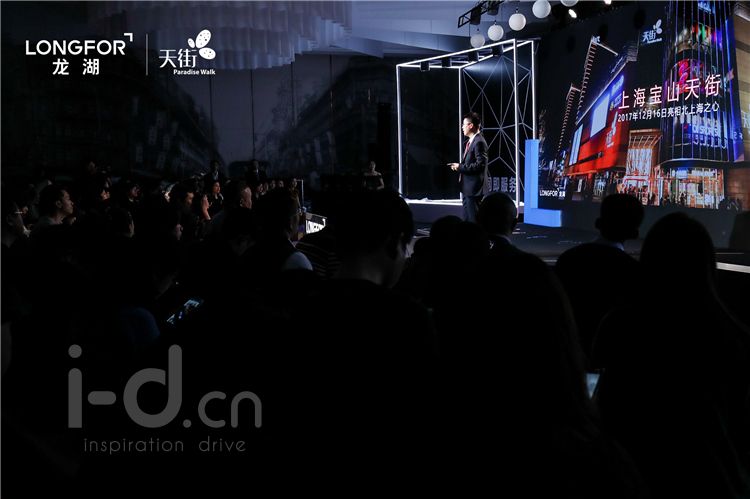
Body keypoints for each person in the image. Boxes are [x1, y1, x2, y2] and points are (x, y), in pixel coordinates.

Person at [448, 112, 488, 223]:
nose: (462, 127)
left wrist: (460, 167)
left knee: (473, 221)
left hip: (473, 190)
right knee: (467, 221)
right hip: (468, 189)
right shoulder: (472, 141)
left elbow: (480, 165)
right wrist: (459, 167)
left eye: (463, 124)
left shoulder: (479, 142)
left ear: (470, 125)